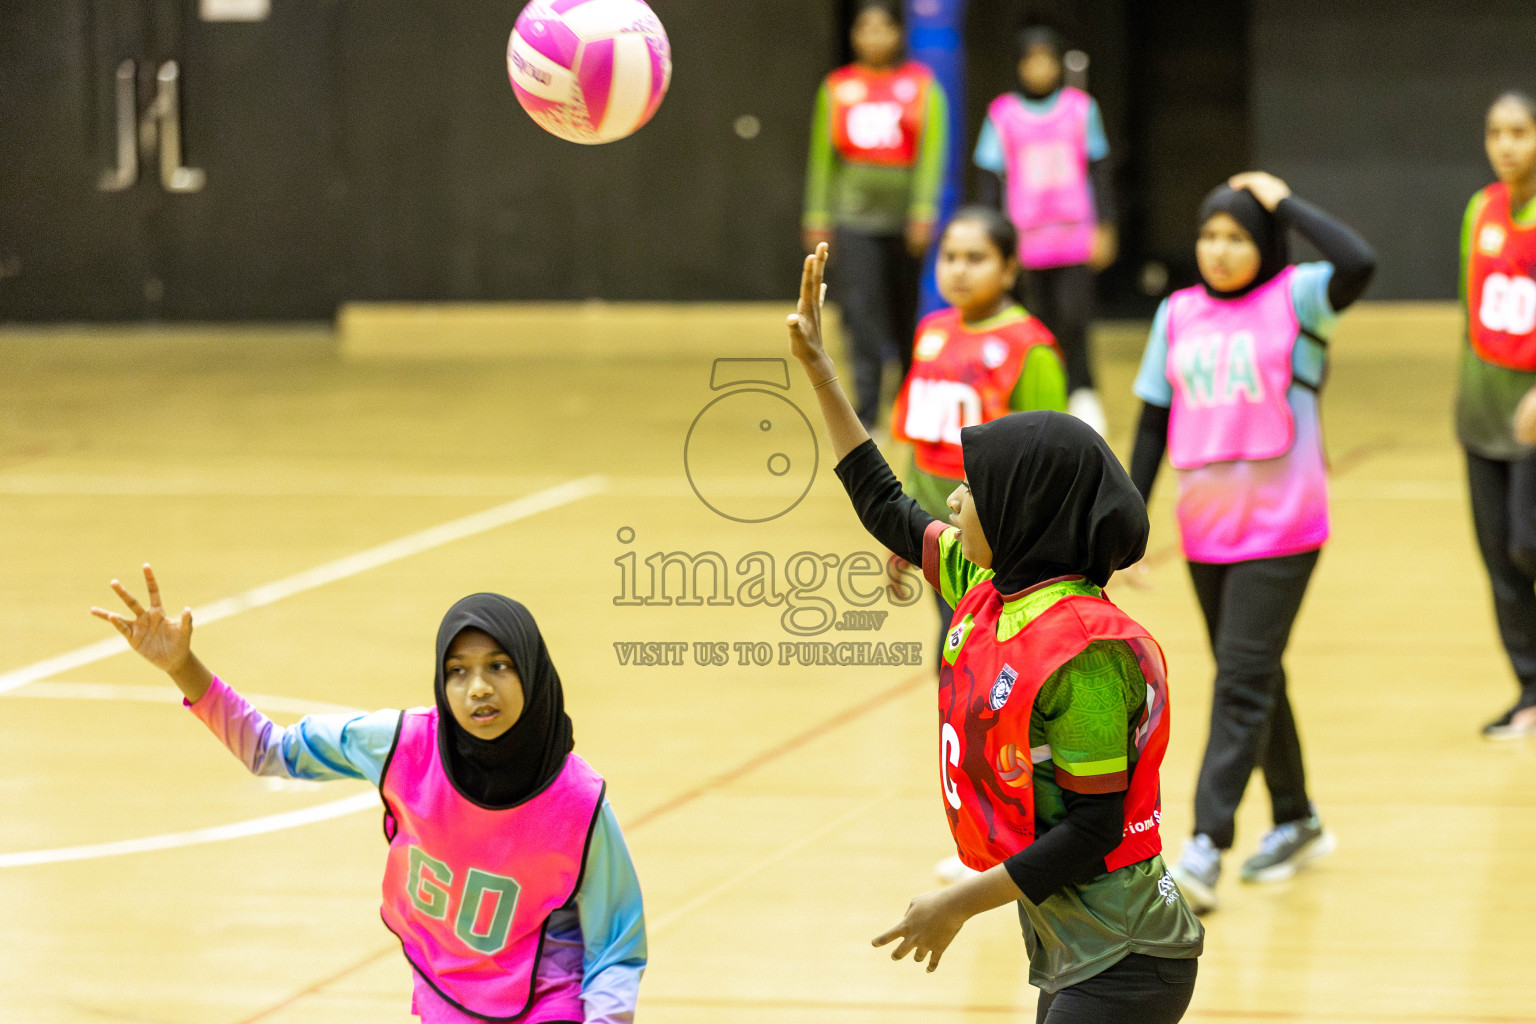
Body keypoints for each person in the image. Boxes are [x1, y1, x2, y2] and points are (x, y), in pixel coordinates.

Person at [788, 244, 1203, 1024]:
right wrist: (818, 367)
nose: (949, 499)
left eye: (972, 489)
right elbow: (884, 502)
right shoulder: (987, 588)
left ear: (1023, 516)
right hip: (1076, 949)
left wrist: (958, 903)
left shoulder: (1083, 653)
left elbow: (1093, 827)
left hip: (1128, 958)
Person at [92, 567, 646, 1024]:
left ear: (532, 670)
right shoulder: (401, 745)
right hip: (445, 994)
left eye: (499, 666)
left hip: (548, 1001)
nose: (478, 687)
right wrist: (182, 667)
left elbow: (615, 947)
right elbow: (271, 751)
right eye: (458, 671)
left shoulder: (577, 800)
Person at [1127, 172, 1376, 913]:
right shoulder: (1177, 314)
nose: (1219, 249)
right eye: (1208, 235)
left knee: (1239, 681)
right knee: (1256, 674)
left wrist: (1286, 204)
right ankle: (1297, 818)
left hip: (1284, 526)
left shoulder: (1299, 300)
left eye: (1237, 236)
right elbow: (1149, 425)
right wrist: (1128, 526)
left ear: (1264, 243)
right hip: (1207, 531)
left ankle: (1204, 847)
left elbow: (1359, 262)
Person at [891, 205, 1067, 676]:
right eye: (949, 257)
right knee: (952, 661)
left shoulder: (1029, 346)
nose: (959, 269)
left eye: (976, 258)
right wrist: (903, 532)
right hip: (939, 538)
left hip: (993, 547)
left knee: (971, 665)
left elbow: (1051, 460)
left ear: (1009, 269)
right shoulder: (933, 332)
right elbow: (923, 449)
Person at [803, 0, 949, 430]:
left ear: (899, 34)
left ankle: (908, 403)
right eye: (865, 28)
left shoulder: (922, 87)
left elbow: (931, 154)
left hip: (905, 224)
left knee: (906, 315)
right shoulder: (837, 88)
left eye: (884, 27)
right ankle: (867, 410)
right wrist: (816, 213)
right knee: (862, 315)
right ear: (854, 36)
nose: (874, 37)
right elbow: (821, 159)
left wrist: (923, 211)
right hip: (854, 222)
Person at [974, 25, 1117, 436]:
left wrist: (1105, 227)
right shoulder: (1003, 113)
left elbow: (1099, 169)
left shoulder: (1080, 108)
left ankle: (1082, 392)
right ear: (1019, 66)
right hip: (1024, 239)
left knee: (1075, 317)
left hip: (1074, 234)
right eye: (1031, 60)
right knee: (1034, 321)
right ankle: (1034, 398)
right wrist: (992, 238)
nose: (1039, 68)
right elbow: (988, 176)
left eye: (1047, 59)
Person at [1457, 91, 1536, 740]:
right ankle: (1529, 691)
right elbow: (1472, 313)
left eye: (1520, 131)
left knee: (1527, 544)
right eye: (1495, 132)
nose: (1507, 145)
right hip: (1482, 416)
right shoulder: (1480, 209)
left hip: (1534, 419)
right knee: (1499, 562)